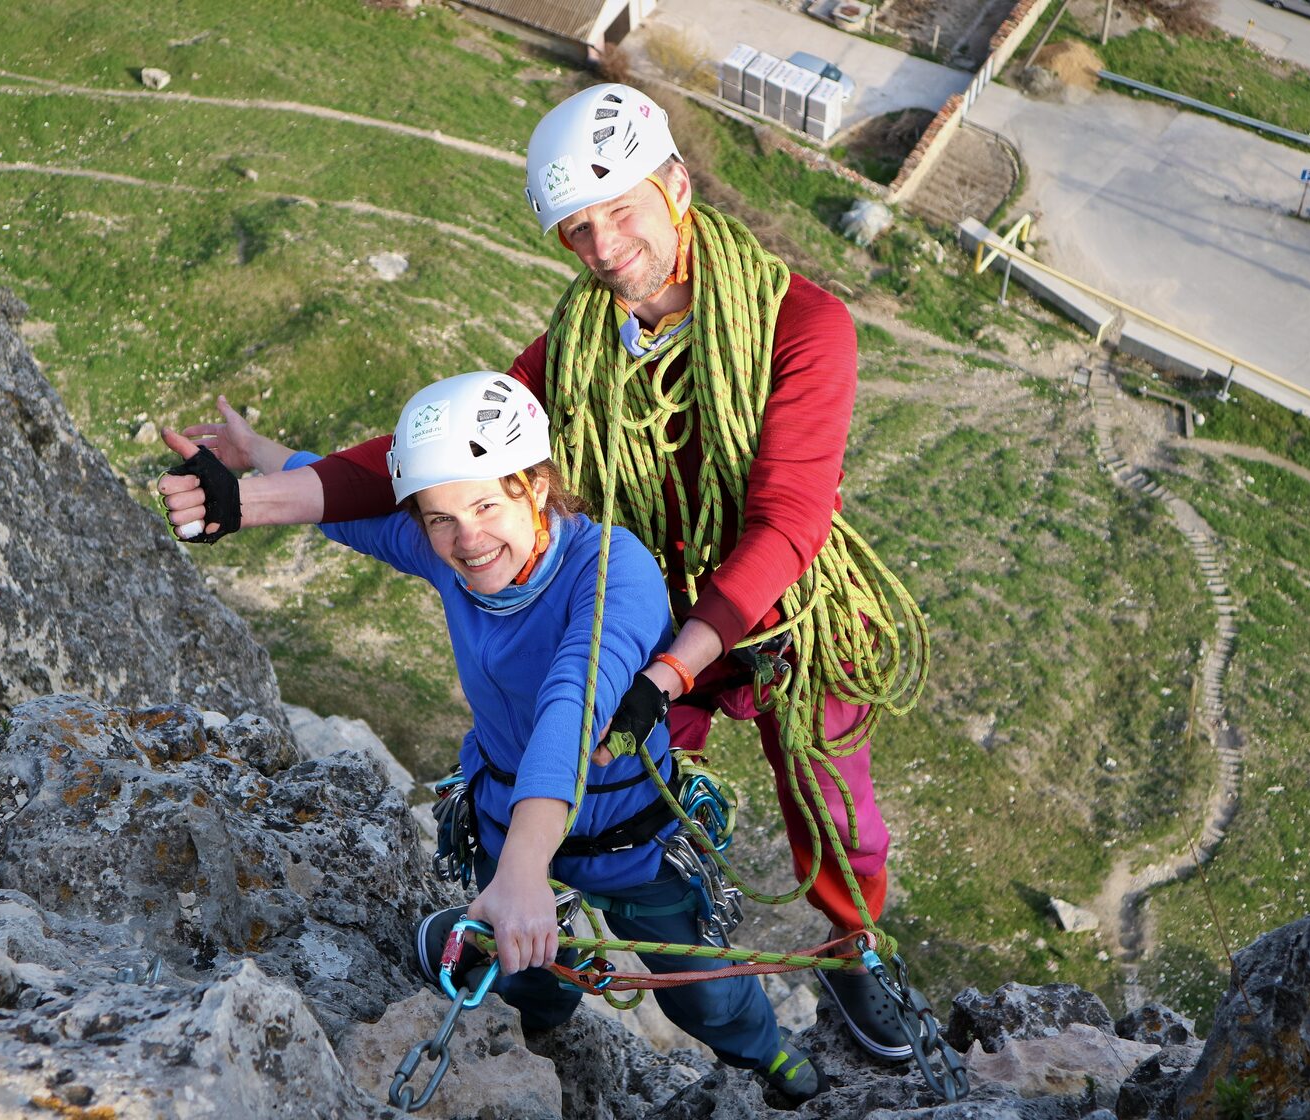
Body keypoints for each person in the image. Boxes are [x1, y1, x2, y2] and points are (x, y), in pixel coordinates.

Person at [158, 83, 918, 1061]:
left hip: (777, 613)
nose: (603, 250)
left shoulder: (802, 328)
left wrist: (674, 669)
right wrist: (259, 492)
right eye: (577, 230)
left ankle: (856, 946)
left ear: (677, 186)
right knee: (599, 764)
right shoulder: (584, 344)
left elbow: (789, 520)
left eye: (622, 210)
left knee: (838, 807)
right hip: (659, 604)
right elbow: (455, 452)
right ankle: (541, 923)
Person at [158, 372, 825, 1101]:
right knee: (535, 980)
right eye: (439, 517)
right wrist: (255, 464)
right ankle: (529, 1017)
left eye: (484, 504)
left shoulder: (611, 572)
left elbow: (570, 712)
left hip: (627, 833)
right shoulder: (449, 554)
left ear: (536, 486)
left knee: (702, 992)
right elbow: (343, 512)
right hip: (506, 816)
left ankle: (765, 1053)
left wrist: (521, 875)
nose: (468, 540)